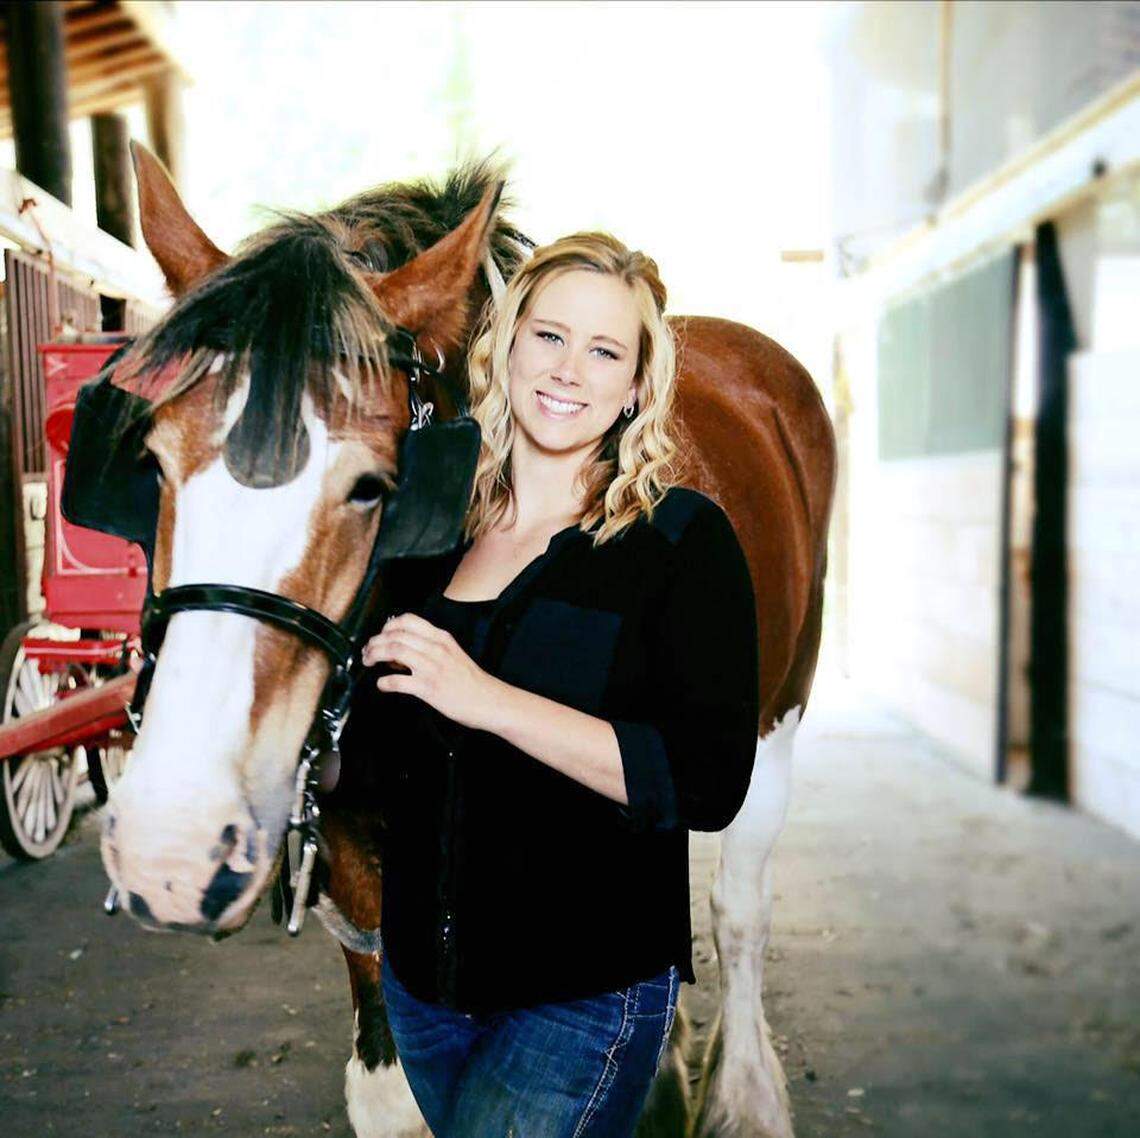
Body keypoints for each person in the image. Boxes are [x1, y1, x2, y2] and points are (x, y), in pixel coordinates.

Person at [351, 232, 760, 1137]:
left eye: (605, 350)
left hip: (579, 998)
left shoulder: (679, 545)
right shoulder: (429, 523)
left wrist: (484, 697)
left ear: (636, 386)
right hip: (421, 985)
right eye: (550, 336)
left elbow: (705, 780)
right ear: (505, 345)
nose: (569, 369)